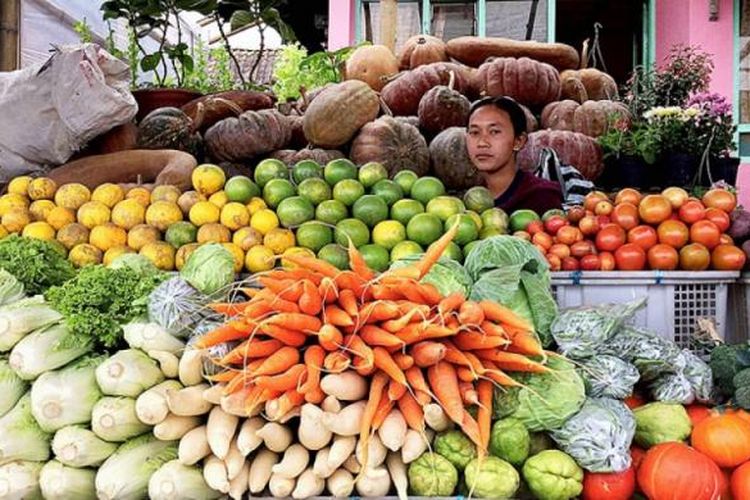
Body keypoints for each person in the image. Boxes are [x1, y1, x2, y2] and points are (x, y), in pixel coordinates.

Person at [466, 96, 563, 215]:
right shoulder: (467, 201)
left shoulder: (541, 197)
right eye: (475, 132)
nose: (482, 143)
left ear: (518, 141)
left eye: (494, 132)